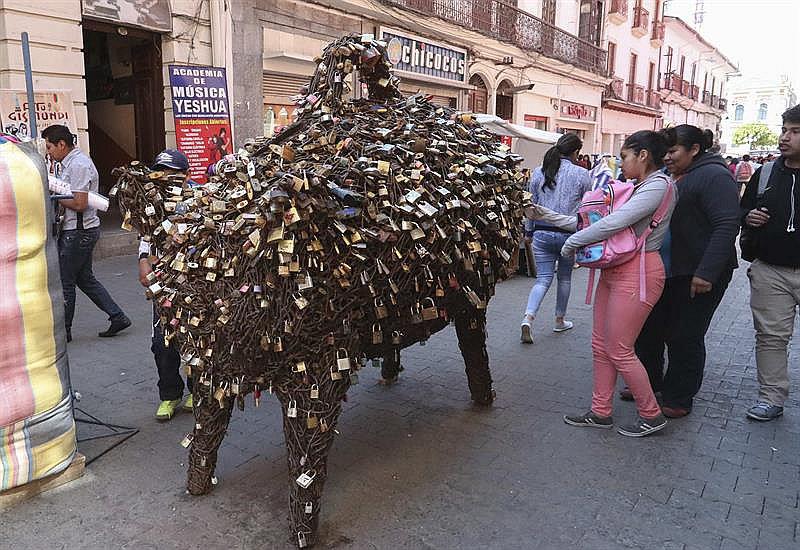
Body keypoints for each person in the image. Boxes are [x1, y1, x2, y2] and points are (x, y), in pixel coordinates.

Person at [532, 131, 676, 437]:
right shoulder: (638, 186)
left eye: (624, 156)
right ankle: (600, 412)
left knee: (619, 348)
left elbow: (614, 223)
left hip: (639, 273)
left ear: (643, 156)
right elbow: (591, 223)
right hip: (617, 270)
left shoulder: (659, 185)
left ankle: (651, 415)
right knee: (601, 345)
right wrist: (544, 215)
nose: (620, 163)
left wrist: (572, 243)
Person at [630, 125, 740, 418]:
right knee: (651, 329)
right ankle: (649, 383)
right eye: (664, 151)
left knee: (684, 335)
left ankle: (679, 397)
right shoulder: (676, 175)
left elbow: (727, 224)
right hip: (671, 269)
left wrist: (706, 272)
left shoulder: (714, 176)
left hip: (698, 272)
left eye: (673, 151)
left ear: (694, 150)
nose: (666, 157)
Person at [42, 124, 130, 343]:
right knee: (85, 279)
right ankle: (117, 316)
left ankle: (65, 331)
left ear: (62, 144)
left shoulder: (79, 165)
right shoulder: (67, 163)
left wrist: (50, 194)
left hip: (78, 232)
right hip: (79, 231)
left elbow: (80, 203)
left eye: (50, 147)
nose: (48, 151)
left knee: (66, 282)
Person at [741, 104, 800, 421]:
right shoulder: (765, 174)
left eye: (795, 131)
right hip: (770, 271)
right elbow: (743, 211)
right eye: (784, 129)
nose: (785, 137)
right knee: (771, 337)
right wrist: (748, 217)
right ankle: (771, 397)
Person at [138, 149, 195, 420]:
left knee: (196, 338)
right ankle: (170, 395)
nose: (166, 179)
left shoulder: (198, 199)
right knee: (162, 343)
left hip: (196, 282)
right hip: (164, 282)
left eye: (173, 174)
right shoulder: (154, 200)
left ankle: (198, 391)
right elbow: (146, 235)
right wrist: (143, 261)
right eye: (161, 172)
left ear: (187, 175)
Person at [520, 133, 591, 343]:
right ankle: (560, 320)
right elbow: (588, 206)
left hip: (541, 233)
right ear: (576, 152)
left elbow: (529, 205)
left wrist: (528, 232)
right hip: (568, 235)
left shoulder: (538, 172)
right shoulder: (582, 174)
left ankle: (528, 317)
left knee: (542, 280)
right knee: (565, 278)